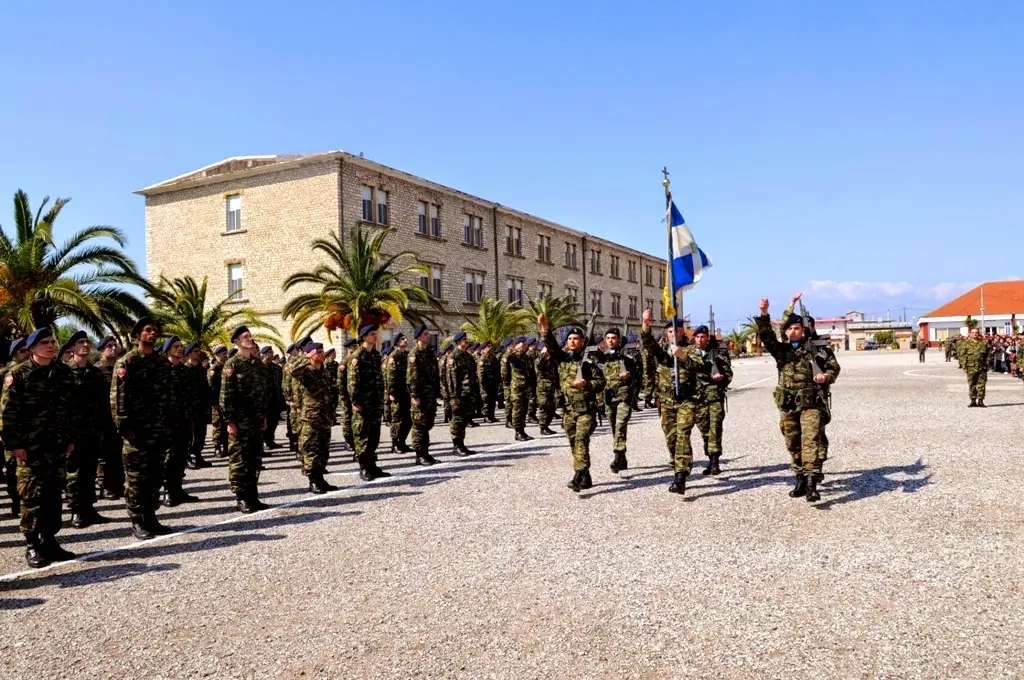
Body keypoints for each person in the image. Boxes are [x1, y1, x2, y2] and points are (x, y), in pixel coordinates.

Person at [0, 328, 76, 567]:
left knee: (53, 494)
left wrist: (69, 438)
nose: (51, 346)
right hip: (30, 448)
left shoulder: (63, 373)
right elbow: (7, 412)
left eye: (52, 342)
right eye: (44, 343)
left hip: (56, 446)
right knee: (32, 496)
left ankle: (49, 540)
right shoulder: (19, 374)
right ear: (32, 348)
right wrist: (14, 444)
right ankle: (32, 544)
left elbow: (70, 409)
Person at [755, 299, 840, 502]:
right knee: (792, 442)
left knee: (810, 441)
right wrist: (764, 313)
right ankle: (800, 478)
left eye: (797, 328)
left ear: (803, 330)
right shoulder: (781, 350)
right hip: (788, 404)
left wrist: (825, 377)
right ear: (785, 331)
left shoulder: (817, 348)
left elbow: (834, 368)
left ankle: (811, 483)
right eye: (790, 328)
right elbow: (766, 336)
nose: (794, 331)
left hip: (810, 403)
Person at [112, 317, 175, 539]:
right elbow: (118, 398)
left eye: (154, 330)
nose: (152, 333)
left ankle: (151, 516)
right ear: (137, 335)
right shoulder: (127, 363)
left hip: (158, 429)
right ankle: (137, 520)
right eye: (147, 330)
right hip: (137, 431)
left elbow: (169, 396)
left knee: (155, 475)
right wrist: (124, 427)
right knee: (136, 478)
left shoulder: (161, 363)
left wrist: (169, 424)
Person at [538, 314, 606, 492]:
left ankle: (577, 476)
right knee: (573, 443)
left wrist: (587, 384)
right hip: (568, 410)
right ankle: (586, 476)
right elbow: (552, 346)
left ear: (583, 341)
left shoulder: (589, 361)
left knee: (581, 441)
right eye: (569, 339)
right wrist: (545, 328)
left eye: (576, 339)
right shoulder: (563, 358)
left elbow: (601, 382)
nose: (572, 341)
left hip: (586, 410)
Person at [640, 311, 699, 494]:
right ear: (667, 334)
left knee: (682, 435)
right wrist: (645, 324)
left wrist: (682, 356)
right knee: (671, 438)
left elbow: (699, 366)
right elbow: (648, 344)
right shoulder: (662, 352)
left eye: (677, 331)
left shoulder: (691, 350)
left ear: (683, 333)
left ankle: (680, 476)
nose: (674, 334)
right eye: (671, 331)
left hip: (686, 401)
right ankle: (678, 465)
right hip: (666, 402)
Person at [65, 330, 113, 527]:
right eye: (80, 342)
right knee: (74, 473)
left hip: (92, 431)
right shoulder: (64, 372)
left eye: (87, 342)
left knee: (90, 470)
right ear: (72, 348)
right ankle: (76, 510)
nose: (85, 345)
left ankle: (89, 508)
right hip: (73, 432)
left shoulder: (96, 373)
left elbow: (103, 403)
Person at [220, 325, 270, 513]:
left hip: (256, 419)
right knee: (239, 460)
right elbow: (225, 397)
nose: (250, 339)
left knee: (254, 459)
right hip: (240, 421)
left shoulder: (257, 364)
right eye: (245, 337)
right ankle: (241, 497)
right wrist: (229, 421)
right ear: (237, 342)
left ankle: (252, 496)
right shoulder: (231, 365)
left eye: (250, 336)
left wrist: (264, 415)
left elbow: (262, 393)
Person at [287, 341, 338, 493]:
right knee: (311, 448)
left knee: (323, 449)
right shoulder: (306, 371)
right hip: (311, 417)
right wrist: (306, 357)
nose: (323, 354)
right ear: (311, 354)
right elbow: (290, 369)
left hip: (325, 416)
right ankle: (313, 480)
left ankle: (321, 478)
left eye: (323, 351)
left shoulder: (325, 371)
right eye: (319, 351)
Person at [689, 326, 733, 476]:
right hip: (698, 398)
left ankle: (715, 462)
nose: (700, 340)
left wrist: (721, 380)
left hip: (714, 396)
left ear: (708, 338)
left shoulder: (718, 353)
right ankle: (709, 458)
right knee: (704, 430)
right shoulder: (690, 353)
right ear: (694, 338)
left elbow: (729, 373)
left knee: (715, 428)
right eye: (698, 337)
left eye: (703, 337)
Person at [161, 337, 199, 506]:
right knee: (169, 458)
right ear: (168, 350)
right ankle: (168, 491)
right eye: (176, 347)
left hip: (184, 420)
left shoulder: (185, 371)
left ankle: (178, 489)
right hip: (168, 422)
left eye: (181, 346)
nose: (180, 349)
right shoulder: (162, 370)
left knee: (181, 456)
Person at [348, 324, 389, 481]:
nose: (375, 336)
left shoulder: (376, 355)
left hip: (375, 401)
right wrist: (355, 401)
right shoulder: (357, 356)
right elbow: (352, 381)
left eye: (375, 333)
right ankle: (364, 467)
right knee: (362, 435)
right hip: (363, 403)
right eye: (372, 334)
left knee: (374, 435)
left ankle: (372, 465)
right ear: (364, 337)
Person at [597, 327, 638, 473]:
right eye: (608, 338)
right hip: (608, 398)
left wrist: (628, 376)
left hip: (623, 397)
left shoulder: (627, 358)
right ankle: (622, 459)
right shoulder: (602, 357)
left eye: (613, 338)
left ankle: (616, 458)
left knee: (620, 425)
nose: (610, 341)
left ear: (619, 340)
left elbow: (637, 377)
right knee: (615, 428)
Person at [93, 336, 125, 499]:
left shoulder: (120, 369)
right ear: (101, 350)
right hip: (103, 418)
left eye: (115, 345)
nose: (114, 348)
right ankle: (105, 486)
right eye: (109, 346)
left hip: (118, 418)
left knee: (119, 452)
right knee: (105, 455)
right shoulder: (96, 371)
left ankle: (118, 484)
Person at [2, 338, 29, 516]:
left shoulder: (31, 372)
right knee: (12, 469)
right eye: (22, 351)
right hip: (9, 429)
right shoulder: (7, 373)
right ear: (14, 354)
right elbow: (4, 404)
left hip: (26, 432)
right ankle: (16, 504)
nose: (26, 353)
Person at [406, 325, 440, 466]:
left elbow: (435, 374)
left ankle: (425, 452)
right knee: (419, 425)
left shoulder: (430, 353)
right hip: (420, 395)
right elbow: (411, 377)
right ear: (419, 337)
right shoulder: (414, 354)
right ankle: (420, 455)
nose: (429, 336)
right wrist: (414, 395)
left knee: (427, 424)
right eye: (426, 334)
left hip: (429, 394)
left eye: (428, 334)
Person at [183, 342, 214, 469]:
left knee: (201, 433)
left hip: (201, 407)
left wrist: (210, 401)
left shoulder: (201, 370)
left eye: (198, 351)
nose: (198, 353)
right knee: (190, 434)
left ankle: (198, 455)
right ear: (189, 354)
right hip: (190, 408)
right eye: (195, 351)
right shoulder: (185, 369)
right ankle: (188, 457)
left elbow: (206, 388)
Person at [387, 333, 413, 454]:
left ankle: (402, 442)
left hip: (406, 392)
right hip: (397, 392)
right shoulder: (394, 356)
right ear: (397, 342)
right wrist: (391, 392)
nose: (406, 340)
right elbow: (390, 376)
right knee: (397, 419)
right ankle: (394, 444)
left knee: (408, 419)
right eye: (403, 339)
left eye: (405, 338)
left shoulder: (407, 355)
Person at [958, 328, 991, 407]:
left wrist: (987, 364)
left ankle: (980, 400)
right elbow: (962, 355)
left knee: (982, 384)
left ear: (978, 333)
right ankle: (973, 400)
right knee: (972, 384)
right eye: (973, 333)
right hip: (971, 367)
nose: (975, 334)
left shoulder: (984, 343)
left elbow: (989, 354)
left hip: (982, 367)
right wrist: (964, 366)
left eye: (976, 332)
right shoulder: (965, 343)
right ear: (970, 334)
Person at [261, 345, 284, 450]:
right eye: (269, 352)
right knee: (265, 421)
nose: (271, 354)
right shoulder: (260, 367)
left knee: (274, 420)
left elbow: (281, 383)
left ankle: (270, 440)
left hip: (275, 397)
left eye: (272, 352)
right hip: (265, 399)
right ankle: (264, 441)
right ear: (264, 354)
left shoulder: (276, 368)